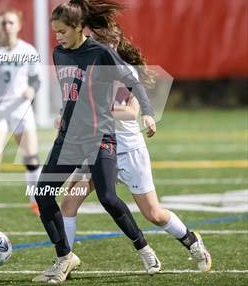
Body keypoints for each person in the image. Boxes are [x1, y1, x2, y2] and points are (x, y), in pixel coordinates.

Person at [61, 23, 212, 272]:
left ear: (114, 45)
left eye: (101, 42)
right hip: (97, 149)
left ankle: (192, 241)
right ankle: (64, 260)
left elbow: (131, 111)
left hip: (128, 150)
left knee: (153, 213)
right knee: (69, 203)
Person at [33, 0, 159, 283]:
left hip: (100, 135)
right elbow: (72, 91)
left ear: (79, 27)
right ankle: (65, 257)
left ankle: (143, 247)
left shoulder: (100, 53)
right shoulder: (58, 54)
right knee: (43, 193)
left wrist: (148, 113)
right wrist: (63, 114)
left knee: (108, 198)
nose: (58, 37)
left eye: (62, 31)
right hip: (70, 138)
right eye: (55, 32)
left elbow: (133, 81)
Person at [0, 9, 42, 221]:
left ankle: (36, 202)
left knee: (31, 157)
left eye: (11, 23)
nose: (7, 27)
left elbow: (36, 80)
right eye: (3, 23)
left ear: (19, 25)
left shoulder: (28, 50)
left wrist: (32, 90)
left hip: (21, 109)